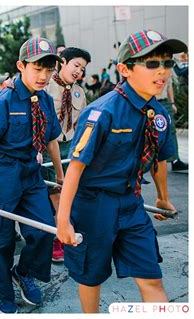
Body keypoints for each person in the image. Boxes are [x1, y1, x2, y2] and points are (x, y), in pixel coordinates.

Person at [57, 29, 186, 313]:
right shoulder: (102, 112)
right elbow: (75, 168)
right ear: (125, 69)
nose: (162, 71)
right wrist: (63, 221)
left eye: (167, 63)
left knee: (151, 278)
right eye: (151, 64)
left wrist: (163, 196)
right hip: (94, 205)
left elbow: (158, 161)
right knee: (92, 276)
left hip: (131, 203)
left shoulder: (160, 115)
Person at [0, 37, 64, 313]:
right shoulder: (4, 101)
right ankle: (4, 296)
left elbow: (52, 139)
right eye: (37, 69)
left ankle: (24, 272)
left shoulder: (44, 100)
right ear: (21, 66)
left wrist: (60, 175)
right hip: (3, 178)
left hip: (31, 175)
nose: (44, 76)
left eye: (49, 70)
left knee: (44, 230)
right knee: (1, 241)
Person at [44, 47, 91, 263]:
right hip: (48, 148)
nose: (79, 71)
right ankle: (57, 237)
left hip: (71, 148)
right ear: (62, 62)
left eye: (82, 68)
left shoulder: (79, 93)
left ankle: (66, 231)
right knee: (56, 193)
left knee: (70, 192)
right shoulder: (45, 87)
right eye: (76, 65)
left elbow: (85, 124)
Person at [155, 74, 188, 171]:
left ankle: (175, 160)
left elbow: (169, 86)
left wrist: (172, 103)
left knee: (171, 130)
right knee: (151, 131)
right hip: (151, 102)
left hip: (165, 102)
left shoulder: (166, 67)